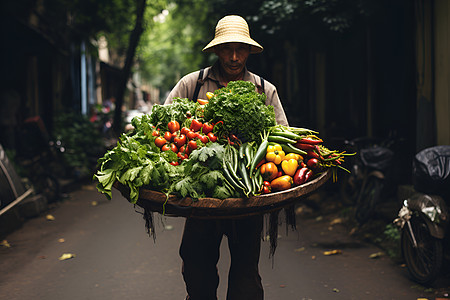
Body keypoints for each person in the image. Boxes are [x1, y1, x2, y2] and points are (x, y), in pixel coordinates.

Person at [164, 15, 289, 300]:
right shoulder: (192, 85)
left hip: (248, 196)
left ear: (249, 50)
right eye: (227, 49)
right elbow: (164, 127)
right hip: (201, 198)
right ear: (217, 50)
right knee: (196, 269)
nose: (234, 57)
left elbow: (283, 140)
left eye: (240, 49)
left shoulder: (264, 90)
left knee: (246, 277)